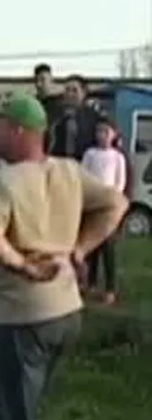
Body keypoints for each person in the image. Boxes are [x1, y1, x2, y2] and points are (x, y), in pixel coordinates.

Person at [0, 92, 127, 420]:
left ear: (20, 131)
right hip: (66, 312)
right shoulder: (69, 171)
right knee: (16, 419)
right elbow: (117, 204)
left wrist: (22, 265)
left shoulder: (4, 181)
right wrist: (79, 250)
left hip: (24, 316)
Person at [80, 120, 127, 305]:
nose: (102, 135)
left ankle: (110, 288)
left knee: (108, 248)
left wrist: (112, 201)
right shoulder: (90, 154)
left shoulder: (117, 157)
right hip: (91, 204)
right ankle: (89, 283)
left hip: (108, 207)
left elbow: (120, 182)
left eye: (106, 132)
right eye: (99, 131)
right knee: (90, 246)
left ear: (114, 135)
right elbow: (83, 175)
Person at [49, 74, 104, 159]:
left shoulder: (94, 116)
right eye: (67, 90)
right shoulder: (56, 114)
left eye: (75, 90)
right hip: (60, 162)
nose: (70, 94)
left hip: (85, 162)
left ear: (84, 92)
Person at [32, 63, 65, 134]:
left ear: (51, 79)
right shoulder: (33, 103)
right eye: (36, 80)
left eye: (43, 80)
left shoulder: (62, 103)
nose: (38, 84)